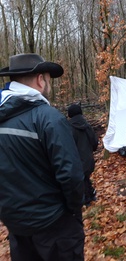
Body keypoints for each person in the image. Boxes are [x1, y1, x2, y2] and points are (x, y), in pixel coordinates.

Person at [0, 53, 85, 260]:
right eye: (48, 79)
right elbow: (71, 175)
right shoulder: (49, 119)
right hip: (55, 226)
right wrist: (73, 211)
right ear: (40, 79)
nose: (48, 85)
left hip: (16, 226)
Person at [68, 104, 99, 206]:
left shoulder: (68, 128)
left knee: (82, 180)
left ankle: (87, 199)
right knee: (85, 178)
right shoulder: (87, 126)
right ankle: (90, 195)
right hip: (88, 159)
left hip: (76, 160)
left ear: (70, 115)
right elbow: (94, 142)